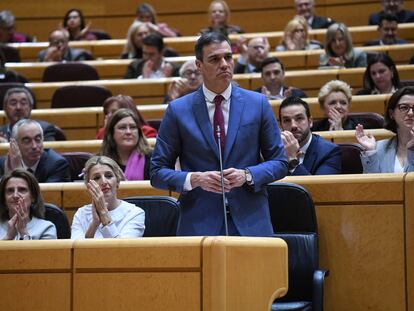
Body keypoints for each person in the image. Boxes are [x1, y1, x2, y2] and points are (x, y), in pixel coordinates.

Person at [151, 32, 288, 236]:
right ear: (199, 65)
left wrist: (247, 175)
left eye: (228, 57)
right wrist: (194, 179)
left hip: (251, 221)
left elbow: (280, 162)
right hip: (198, 221)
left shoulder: (258, 104)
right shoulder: (178, 110)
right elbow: (157, 172)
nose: (224, 64)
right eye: (215, 59)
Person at [71, 155, 145, 239]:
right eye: (97, 178)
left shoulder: (135, 213)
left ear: (117, 181)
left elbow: (121, 250)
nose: (104, 182)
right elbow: (78, 251)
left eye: (109, 176)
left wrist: (104, 214)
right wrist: (94, 225)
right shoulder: (81, 214)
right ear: (89, 186)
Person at [355, 86, 414, 173]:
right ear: (391, 114)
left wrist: (412, 150)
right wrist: (371, 152)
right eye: (404, 107)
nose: (410, 113)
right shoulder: (379, 148)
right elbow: (372, 184)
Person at [279, 96, 341, 175]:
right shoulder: (274, 151)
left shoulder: (329, 151)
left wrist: (292, 161)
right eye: (287, 120)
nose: (293, 126)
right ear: (281, 126)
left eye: (299, 118)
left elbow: (319, 187)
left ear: (310, 122)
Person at [0, 119, 71, 182]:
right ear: (15, 144)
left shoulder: (57, 165)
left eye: (37, 139)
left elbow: (48, 196)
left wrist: (18, 171)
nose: (34, 146)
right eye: (27, 141)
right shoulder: (3, 164)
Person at [0, 169, 57, 240]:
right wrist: (8, 237)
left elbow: (40, 252)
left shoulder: (46, 228)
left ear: (33, 197)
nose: (15, 195)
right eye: (10, 190)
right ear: (4, 199)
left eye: (22, 190)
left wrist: (24, 233)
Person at [99, 109, 152, 180]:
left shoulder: (153, 159)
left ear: (139, 133)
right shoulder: (100, 161)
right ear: (111, 133)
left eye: (133, 127)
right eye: (122, 128)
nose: (128, 132)